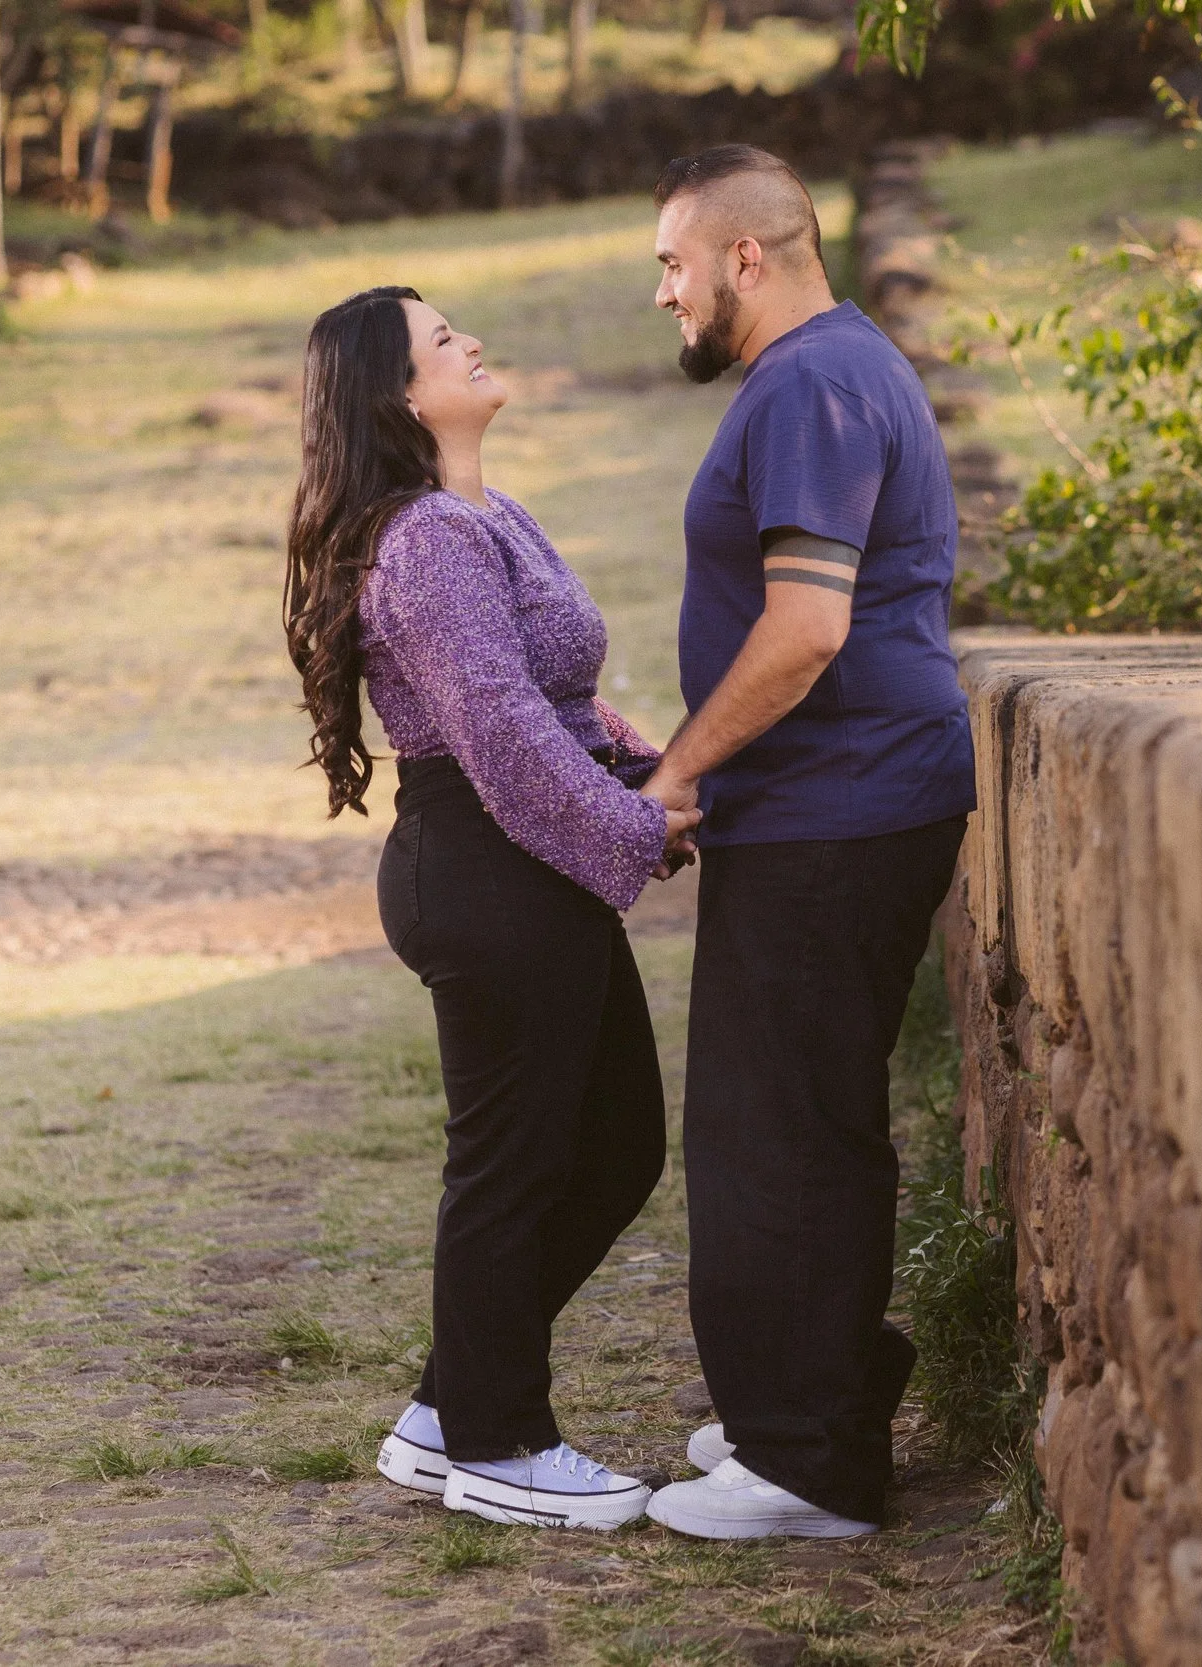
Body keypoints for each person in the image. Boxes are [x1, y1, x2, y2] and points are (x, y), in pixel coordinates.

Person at [281, 285, 700, 1532]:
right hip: (485, 863)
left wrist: (657, 772)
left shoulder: (484, 513)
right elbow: (504, 735)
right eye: (437, 338)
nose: (466, 338)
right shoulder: (426, 541)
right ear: (401, 397)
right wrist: (634, 823)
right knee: (511, 1166)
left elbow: (560, 699)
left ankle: (441, 1411)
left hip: (523, 861)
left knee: (616, 1146)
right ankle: (504, 1443)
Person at [637, 146, 978, 1540]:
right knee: (782, 1119)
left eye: (673, 263)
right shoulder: (825, 373)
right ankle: (804, 1403)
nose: (663, 294)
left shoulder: (813, 383)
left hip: (841, 803)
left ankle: (811, 1462)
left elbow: (808, 624)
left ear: (746, 258)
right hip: (831, 801)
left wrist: (677, 771)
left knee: (780, 1130)